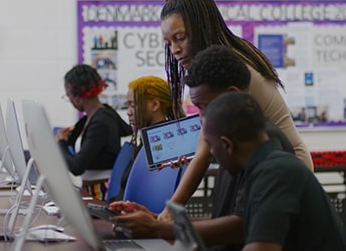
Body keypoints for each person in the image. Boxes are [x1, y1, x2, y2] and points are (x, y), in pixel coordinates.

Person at [108, 46, 295, 251]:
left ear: (232, 95)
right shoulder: (233, 142)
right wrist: (158, 221)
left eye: (204, 107)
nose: (200, 119)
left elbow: (242, 227)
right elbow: (223, 219)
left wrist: (158, 228)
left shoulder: (264, 147)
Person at [159, 0, 313, 217]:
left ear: (200, 28)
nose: (175, 50)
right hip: (265, 166)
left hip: (286, 167)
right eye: (169, 43)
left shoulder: (232, 71)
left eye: (180, 38)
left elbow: (205, 147)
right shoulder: (221, 64)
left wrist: (169, 212)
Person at [201, 91, 346, 251]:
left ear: (227, 145)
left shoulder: (276, 173)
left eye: (210, 145)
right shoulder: (264, 167)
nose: (211, 152)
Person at [56, 64, 132, 201]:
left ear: (77, 97)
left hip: (100, 192)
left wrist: (60, 142)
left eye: (69, 96)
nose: (71, 102)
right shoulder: (95, 116)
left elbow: (76, 167)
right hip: (92, 189)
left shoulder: (101, 121)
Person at [108, 75, 185, 202]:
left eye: (133, 105)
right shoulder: (148, 141)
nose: (128, 112)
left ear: (154, 105)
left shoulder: (161, 147)